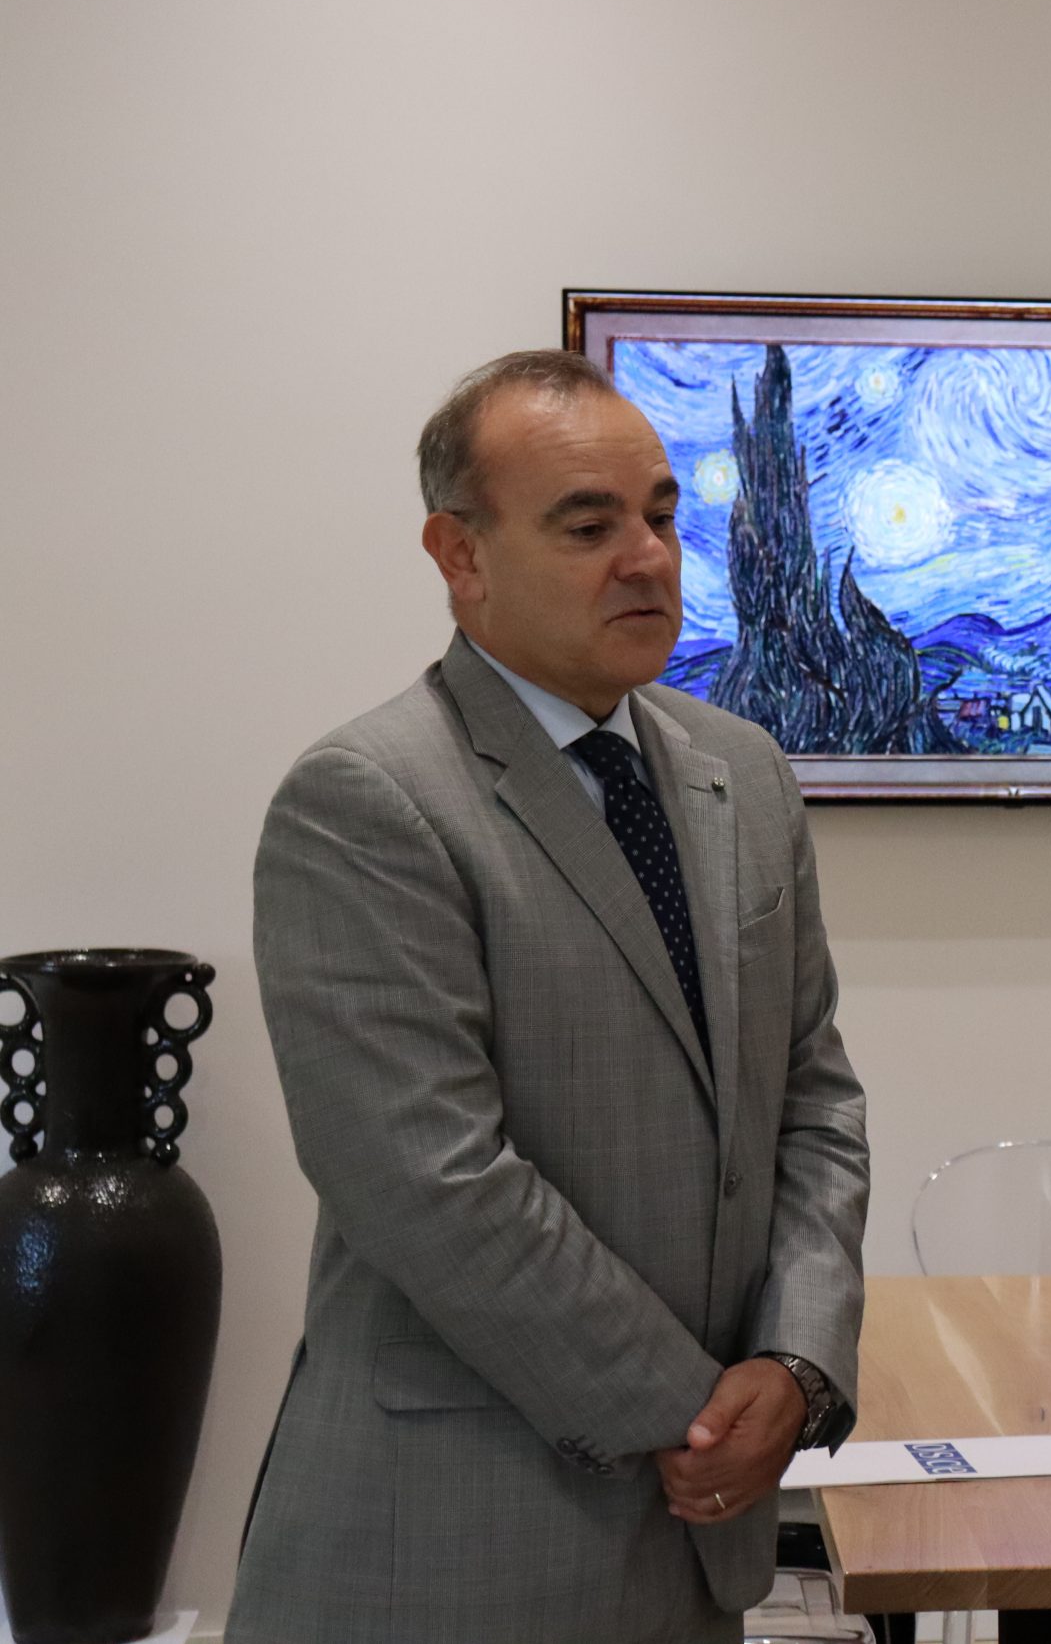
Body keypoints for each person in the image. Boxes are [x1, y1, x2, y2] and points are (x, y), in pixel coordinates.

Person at [232, 350, 869, 1644]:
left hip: (695, 1545)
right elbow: (432, 1182)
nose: (648, 558)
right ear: (459, 555)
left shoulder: (744, 775)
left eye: (662, 515)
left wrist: (798, 1367)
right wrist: (701, 1417)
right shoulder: (369, 802)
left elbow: (814, 1098)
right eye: (588, 526)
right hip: (450, 1550)